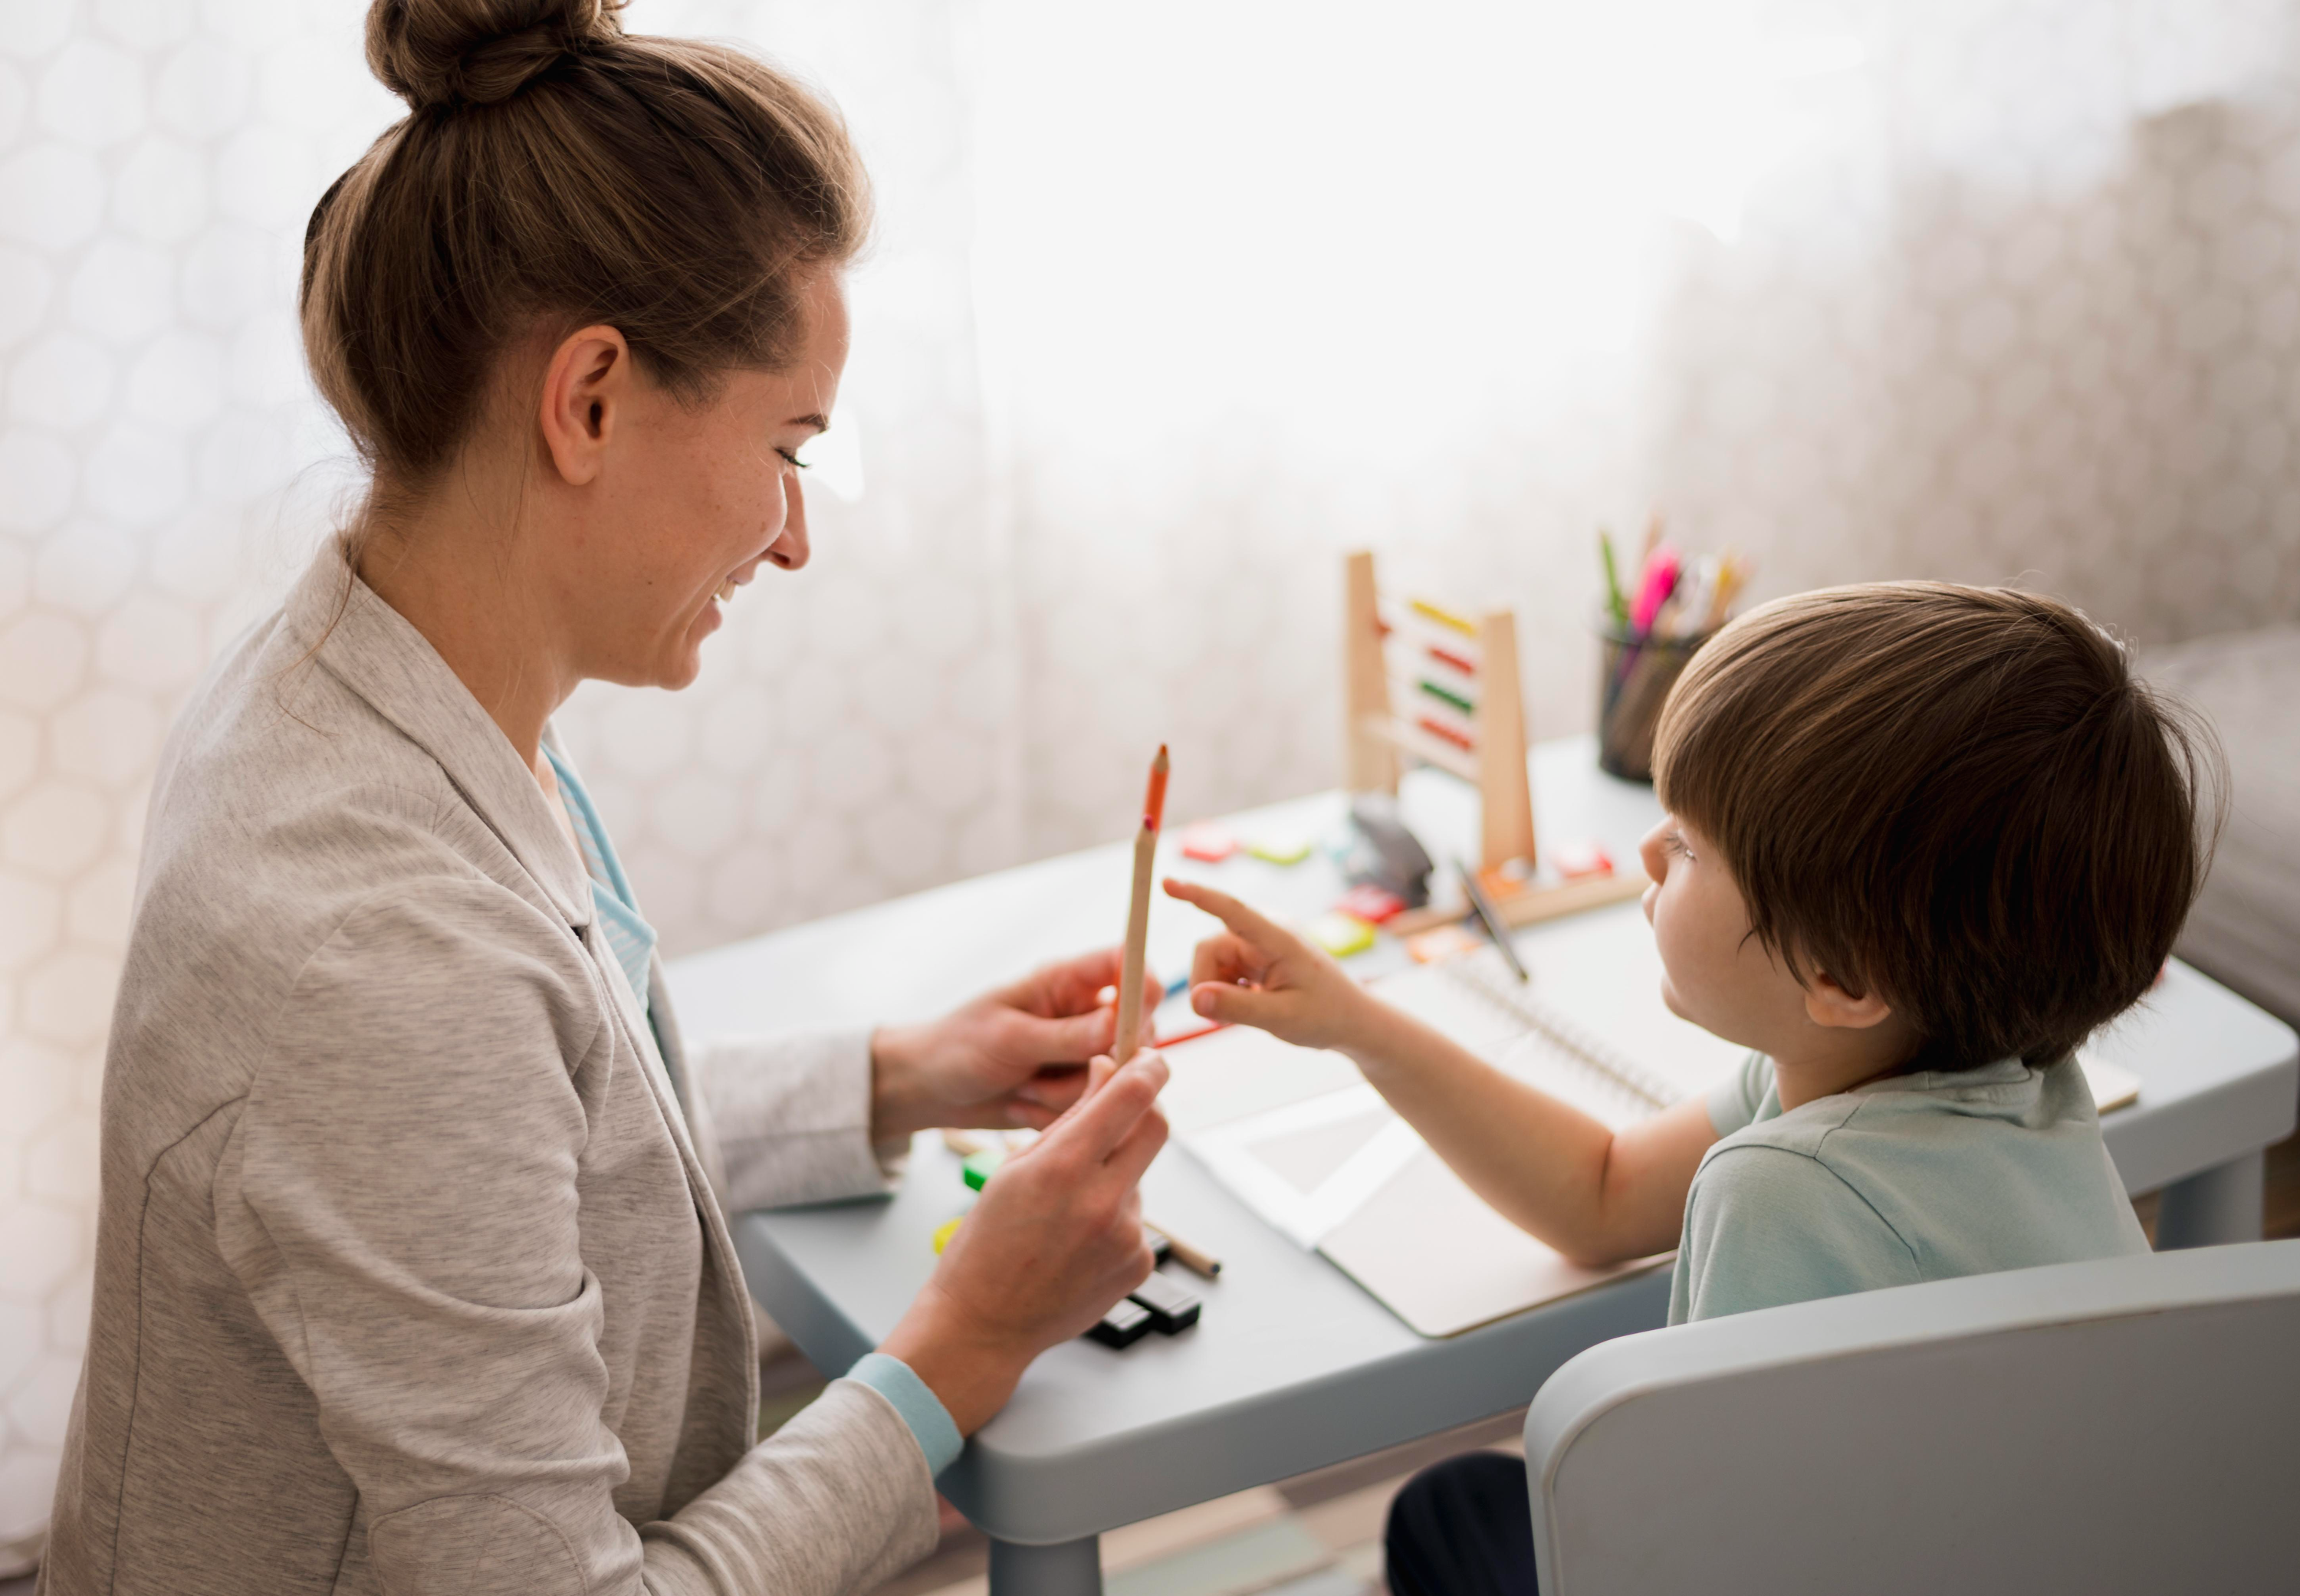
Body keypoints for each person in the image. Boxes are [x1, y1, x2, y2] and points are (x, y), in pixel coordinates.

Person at [38, 3, 1171, 1592]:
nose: (793, 537)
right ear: (589, 399)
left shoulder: (363, 681)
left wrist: (905, 1076)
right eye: (787, 445)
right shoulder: (369, 946)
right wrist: (959, 1351)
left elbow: (541, 1135)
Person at [1166, 583, 2218, 1596]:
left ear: (1843, 978)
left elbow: (1718, 1551)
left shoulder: (1784, 1191)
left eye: (1690, 844)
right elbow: (1603, 1194)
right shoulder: (2018, 1073)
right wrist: (1360, 1023)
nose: (1646, 851)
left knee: (1442, 1513)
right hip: (2042, 1552)